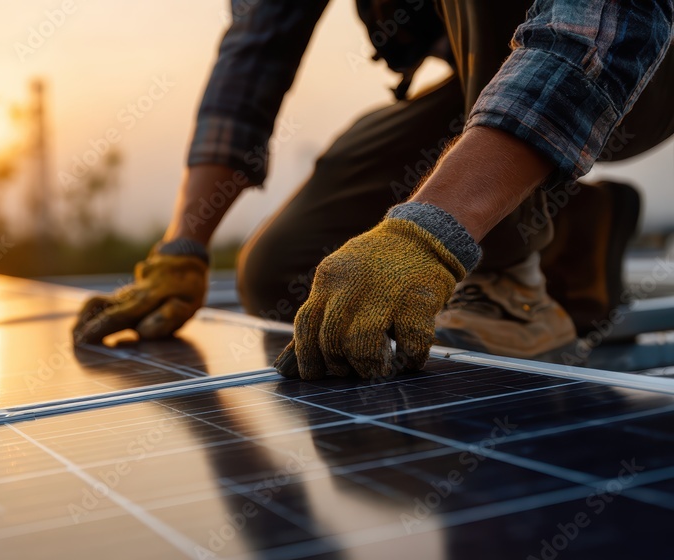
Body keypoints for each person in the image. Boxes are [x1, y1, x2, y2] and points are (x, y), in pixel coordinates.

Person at [72, 0, 674, 380]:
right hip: (496, 80)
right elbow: (250, 62)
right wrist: (183, 247)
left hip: (631, 63)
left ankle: (512, 283)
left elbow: (609, 25)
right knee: (283, 274)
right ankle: (570, 224)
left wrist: (430, 232)